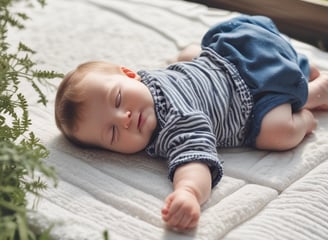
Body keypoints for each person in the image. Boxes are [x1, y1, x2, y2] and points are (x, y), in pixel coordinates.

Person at [55, 15, 328, 231]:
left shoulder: (177, 123)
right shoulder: (150, 84)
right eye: (112, 132)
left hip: (257, 90)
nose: (124, 118)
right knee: (188, 55)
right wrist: (187, 190)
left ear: (130, 74)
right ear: (109, 153)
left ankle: (311, 98)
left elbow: (195, 165)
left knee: (278, 133)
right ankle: (296, 65)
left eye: (117, 99)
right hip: (241, 45)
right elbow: (192, 162)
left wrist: (188, 190)